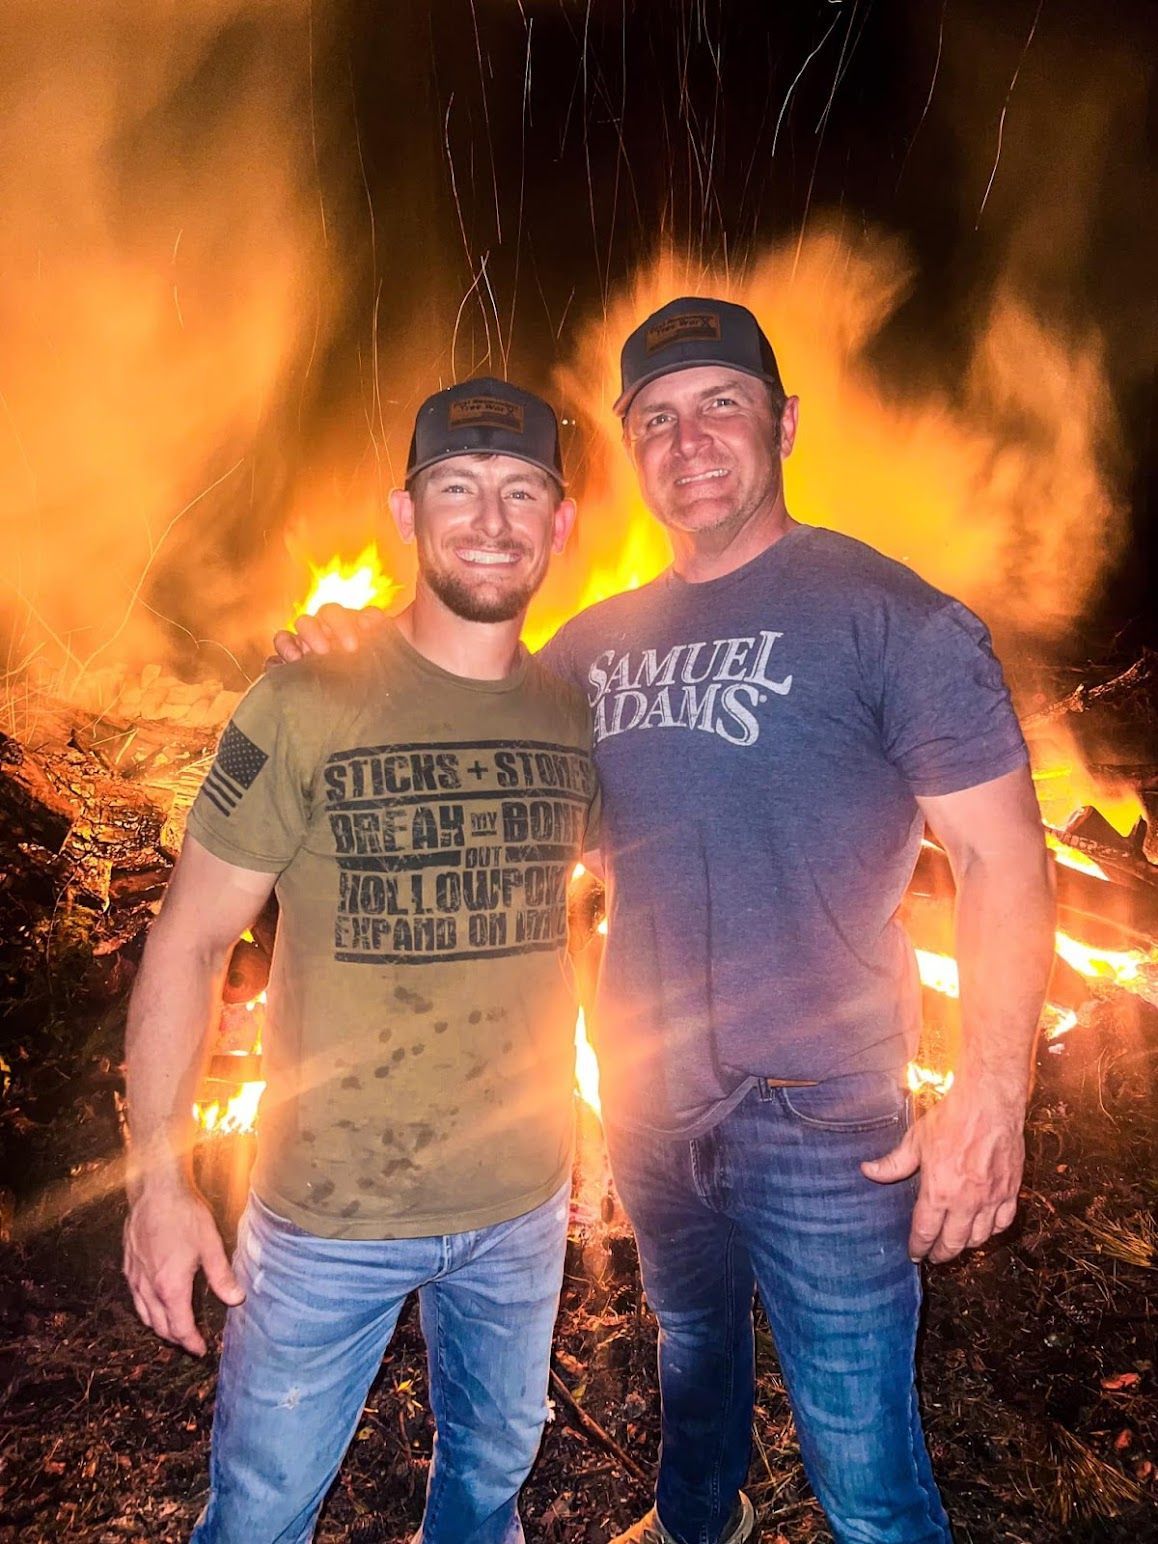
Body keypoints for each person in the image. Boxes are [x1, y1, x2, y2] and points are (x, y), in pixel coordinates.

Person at [275, 299, 1057, 1544]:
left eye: (721, 405)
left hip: (828, 1118)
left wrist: (990, 1099)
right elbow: (462, 694)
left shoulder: (890, 616)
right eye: (656, 418)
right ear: (633, 454)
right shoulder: (595, 644)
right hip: (650, 1093)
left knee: (866, 1467)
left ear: (784, 424)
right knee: (691, 1343)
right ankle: (705, 1518)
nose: (689, 439)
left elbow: (1002, 853)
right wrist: (352, 642)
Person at [122, 377, 599, 1544]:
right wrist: (157, 1178)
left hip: (524, 1208)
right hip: (327, 1215)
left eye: (520, 489)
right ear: (405, 512)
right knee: (259, 1516)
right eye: (458, 487)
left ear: (562, 521)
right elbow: (188, 940)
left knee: (487, 1494)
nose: (491, 518)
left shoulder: (577, 715)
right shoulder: (303, 699)